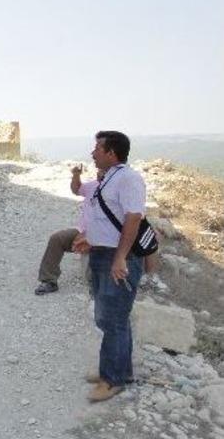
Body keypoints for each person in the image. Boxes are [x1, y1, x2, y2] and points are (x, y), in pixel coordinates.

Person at [85, 131, 147, 403]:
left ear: (112, 153)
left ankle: (112, 380)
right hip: (100, 254)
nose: (93, 152)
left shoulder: (129, 178)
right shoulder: (109, 177)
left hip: (118, 257)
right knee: (109, 318)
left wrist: (120, 257)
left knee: (113, 319)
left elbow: (133, 218)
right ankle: (121, 370)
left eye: (98, 148)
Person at [34, 165, 102, 295]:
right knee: (57, 239)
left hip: (103, 235)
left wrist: (89, 235)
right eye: (99, 171)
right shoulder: (93, 185)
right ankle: (49, 280)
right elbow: (76, 190)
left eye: (103, 171)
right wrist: (76, 175)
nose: (99, 173)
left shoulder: (116, 190)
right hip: (82, 230)